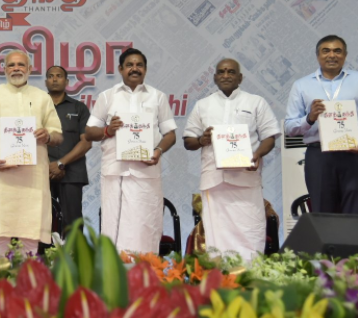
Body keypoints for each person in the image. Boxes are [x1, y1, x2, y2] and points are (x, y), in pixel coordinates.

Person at [183, 59, 280, 261]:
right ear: (215, 77)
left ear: (240, 77)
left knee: (250, 232)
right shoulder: (203, 105)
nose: (226, 75)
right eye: (221, 72)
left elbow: (270, 136)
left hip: (246, 179)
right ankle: (222, 283)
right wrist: (202, 140)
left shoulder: (256, 102)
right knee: (216, 238)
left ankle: (249, 279)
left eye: (231, 72)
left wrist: (258, 154)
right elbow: (188, 141)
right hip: (214, 182)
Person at [85, 48, 177, 253]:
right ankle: (116, 277)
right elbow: (90, 132)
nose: (134, 69)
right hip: (115, 173)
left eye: (139, 65)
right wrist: (108, 130)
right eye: (129, 65)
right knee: (114, 227)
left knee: (146, 226)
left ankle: (146, 277)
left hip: (146, 173)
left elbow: (170, 134)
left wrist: (158, 151)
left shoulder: (158, 97)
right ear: (120, 69)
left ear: (145, 69)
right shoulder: (107, 97)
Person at [0, 50, 63, 255]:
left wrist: (47, 136)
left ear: (30, 69)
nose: (16, 69)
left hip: (33, 180)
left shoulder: (42, 98)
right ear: (4, 69)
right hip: (0, 177)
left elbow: (58, 135)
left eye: (21, 65)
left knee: (30, 239)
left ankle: (27, 285)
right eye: (11, 65)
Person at [285, 35, 358, 214]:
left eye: (337, 51)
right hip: (319, 156)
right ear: (318, 56)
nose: (332, 55)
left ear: (345, 55)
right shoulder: (301, 86)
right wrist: (310, 117)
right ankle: (328, 244)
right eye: (326, 51)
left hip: (355, 155)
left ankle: (351, 243)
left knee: (355, 212)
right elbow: (290, 128)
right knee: (323, 213)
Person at [45, 65, 91, 233]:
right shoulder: (35, 107)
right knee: (41, 224)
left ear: (67, 81)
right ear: (46, 81)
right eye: (51, 76)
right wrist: (49, 166)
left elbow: (86, 142)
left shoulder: (79, 108)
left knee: (73, 225)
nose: (55, 79)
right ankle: (41, 259)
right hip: (43, 173)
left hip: (72, 173)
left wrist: (61, 164)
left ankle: (74, 258)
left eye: (59, 76)